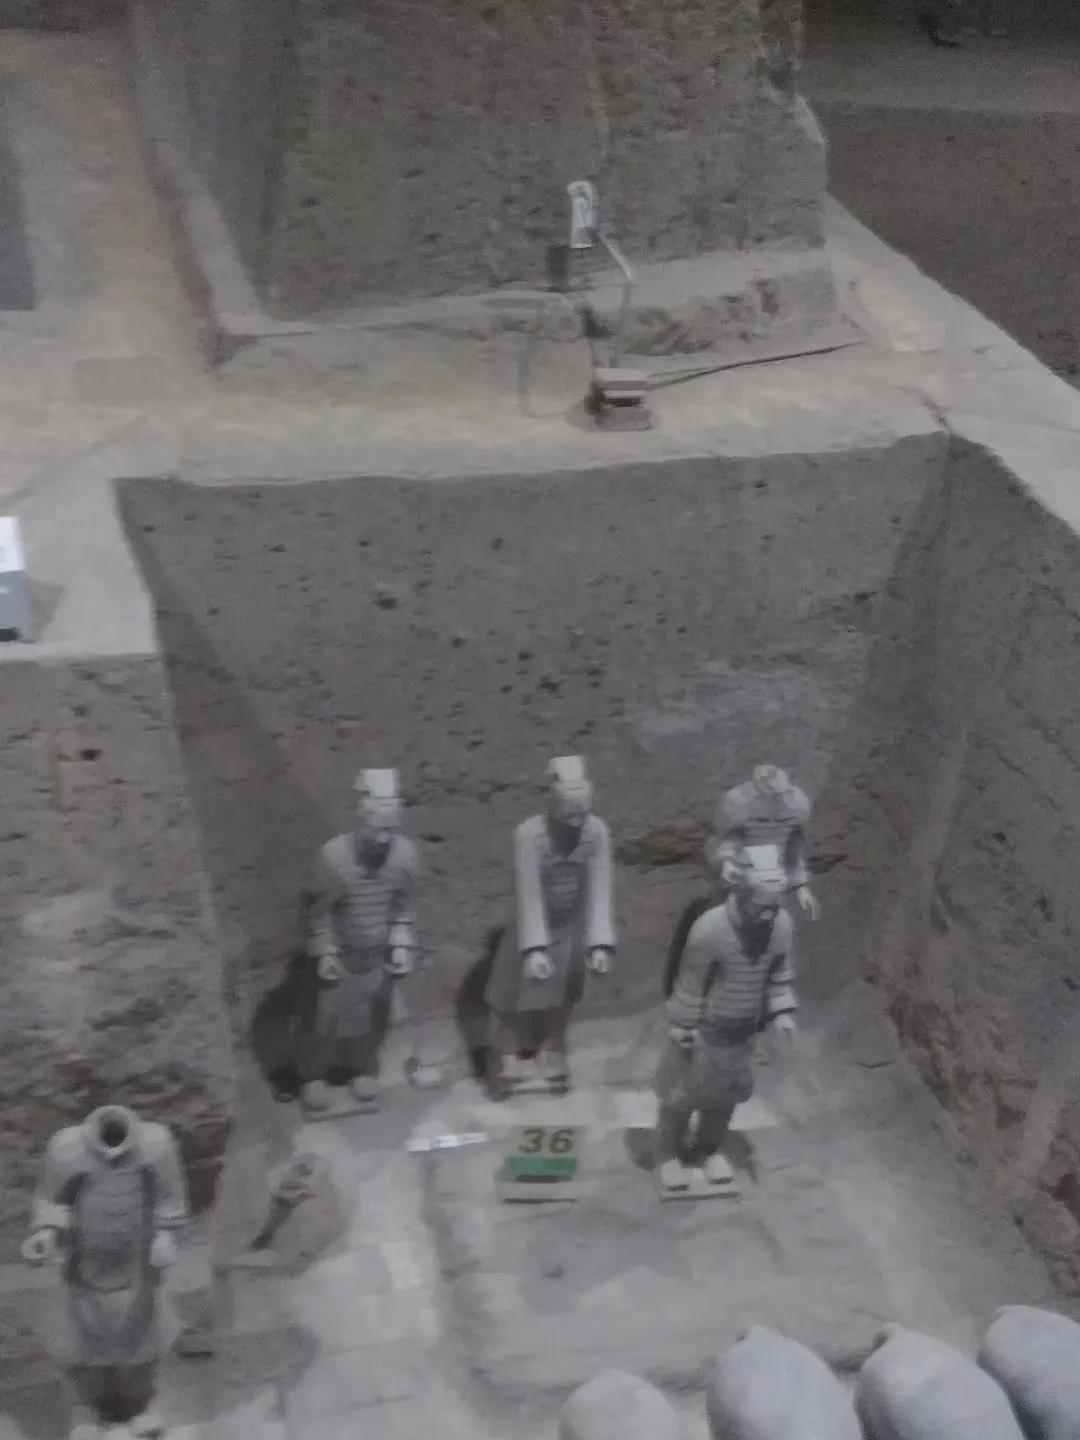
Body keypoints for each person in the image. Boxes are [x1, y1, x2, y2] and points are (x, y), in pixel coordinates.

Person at [656, 862, 797, 1196]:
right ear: (742, 895)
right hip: (703, 1031)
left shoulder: (781, 927)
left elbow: (779, 975)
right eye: (761, 907)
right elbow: (690, 983)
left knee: (723, 1100)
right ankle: (667, 1154)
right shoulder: (710, 929)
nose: (768, 916)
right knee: (681, 1096)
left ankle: (707, 1150)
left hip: (743, 1032)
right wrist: (682, 1025)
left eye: (774, 907)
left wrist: (782, 1012)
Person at [484, 756, 615, 1095]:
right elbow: (527, 890)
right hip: (526, 929)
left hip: (568, 927)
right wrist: (534, 948)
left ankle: (552, 1047)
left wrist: (599, 943)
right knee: (509, 994)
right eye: (569, 813)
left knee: (564, 992)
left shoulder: (597, 832)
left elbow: (601, 888)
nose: (576, 822)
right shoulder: (529, 834)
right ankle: (507, 1052)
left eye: (581, 813)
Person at [295, 768, 419, 1112]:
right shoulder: (332, 858)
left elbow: (403, 907)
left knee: (372, 1017)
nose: (383, 840)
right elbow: (317, 913)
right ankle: (313, 1073)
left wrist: (400, 943)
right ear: (361, 820)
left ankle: (361, 1067)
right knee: (323, 1019)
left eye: (390, 831)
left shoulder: (405, 857)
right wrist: (325, 951)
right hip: (339, 953)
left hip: (376, 956)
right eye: (376, 830)